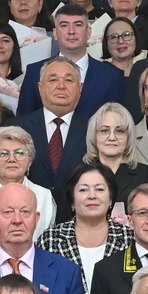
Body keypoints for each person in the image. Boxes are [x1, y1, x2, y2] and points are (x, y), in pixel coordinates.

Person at [16, 3, 126, 118]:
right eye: (64, 25)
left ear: (88, 32)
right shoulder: (35, 72)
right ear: (55, 33)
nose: (71, 31)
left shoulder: (111, 75)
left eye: (78, 25)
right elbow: (23, 120)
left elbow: (119, 121)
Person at [39, 161, 130, 294]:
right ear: (72, 200)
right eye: (83, 190)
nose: (92, 196)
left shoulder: (129, 238)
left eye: (99, 189)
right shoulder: (51, 240)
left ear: (111, 199)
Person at [9, 59, 91, 198]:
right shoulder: (15, 128)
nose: (61, 86)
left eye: (69, 80)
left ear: (80, 88)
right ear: (40, 87)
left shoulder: (93, 130)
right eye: (53, 80)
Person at [0, 126, 57, 233]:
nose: (12, 159)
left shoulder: (45, 196)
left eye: (19, 153)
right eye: (3, 154)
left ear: (30, 161)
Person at [86, 101, 148, 212]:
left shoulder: (147, 175)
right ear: (93, 135)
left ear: (129, 137)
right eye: (104, 130)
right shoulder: (78, 175)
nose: (112, 137)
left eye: (119, 131)